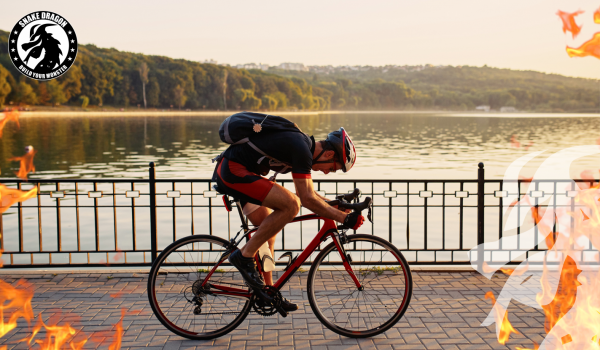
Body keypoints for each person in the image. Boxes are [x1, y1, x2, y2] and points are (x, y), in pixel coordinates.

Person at [213, 120, 364, 312]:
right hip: (234, 172)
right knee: (292, 205)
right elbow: (306, 199)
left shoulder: (302, 148)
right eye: (332, 168)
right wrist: (343, 218)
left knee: (268, 236)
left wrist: (335, 204)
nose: (327, 172)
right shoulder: (300, 148)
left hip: (243, 173)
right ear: (328, 154)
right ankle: (243, 257)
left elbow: (307, 192)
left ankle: (267, 291)